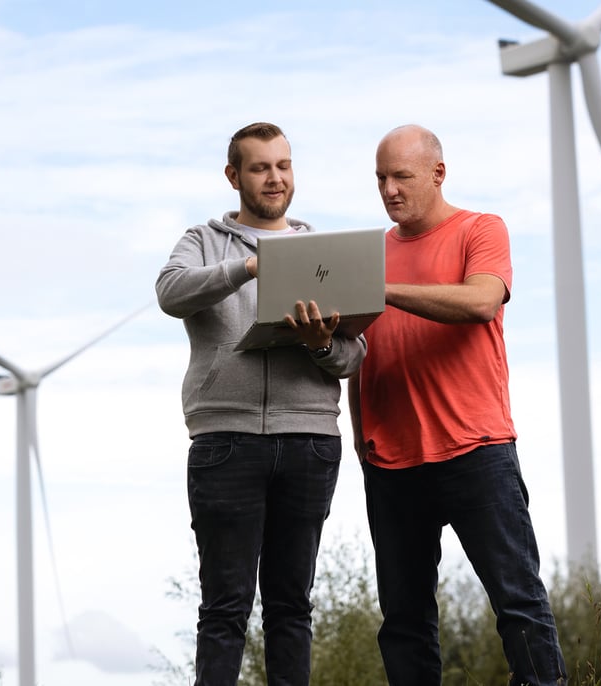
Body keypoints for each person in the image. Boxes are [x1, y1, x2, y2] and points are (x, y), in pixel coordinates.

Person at [349, 124, 568, 685]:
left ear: (437, 174)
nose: (389, 190)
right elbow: (355, 349)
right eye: (380, 179)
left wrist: (384, 290)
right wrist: (360, 438)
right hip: (392, 462)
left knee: (517, 602)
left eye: (401, 177)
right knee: (403, 621)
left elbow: (480, 301)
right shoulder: (366, 253)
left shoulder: (481, 228)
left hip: (477, 451)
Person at [156, 121, 367, 685]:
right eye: (260, 167)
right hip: (226, 442)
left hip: (310, 442)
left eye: (284, 165)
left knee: (291, 608)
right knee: (225, 610)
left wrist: (319, 341)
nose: (275, 178)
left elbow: (352, 358)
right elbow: (170, 293)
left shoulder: (325, 252)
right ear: (234, 176)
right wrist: (250, 267)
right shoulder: (202, 241)